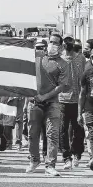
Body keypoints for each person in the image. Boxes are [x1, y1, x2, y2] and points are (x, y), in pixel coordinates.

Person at [26, 33, 69, 176]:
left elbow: (61, 86)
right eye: (51, 42)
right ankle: (34, 160)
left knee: (52, 134)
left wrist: (45, 96)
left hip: (52, 103)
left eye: (56, 43)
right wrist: (28, 43)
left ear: (61, 46)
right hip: (34, 102)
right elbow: (21, 56)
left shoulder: (63, 64)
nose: (52, 45)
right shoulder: (37, 56)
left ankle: (50, 165)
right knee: (32, 134)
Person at [59, 35, 86, 169]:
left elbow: (84, 76)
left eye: (71, 42)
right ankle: (66, 157)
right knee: (63, 130)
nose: (68, 45)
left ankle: (77, 154)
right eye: (66, 42)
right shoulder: (59, 58)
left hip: (78, 99)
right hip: (62, 99)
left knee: (78, 129)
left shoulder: (80, 58)